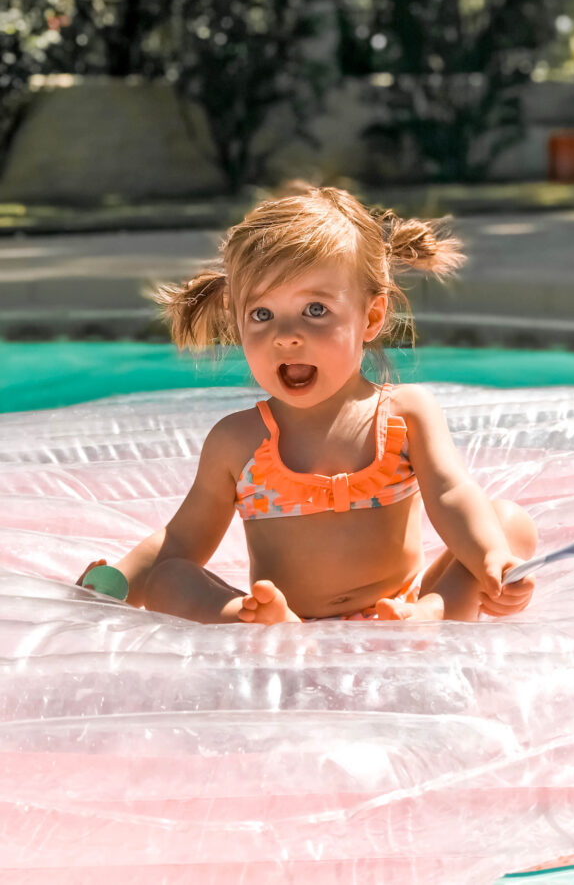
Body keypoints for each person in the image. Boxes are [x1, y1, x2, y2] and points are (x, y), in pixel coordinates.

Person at [78, 184, 537, 624]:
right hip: (285, 613)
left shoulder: (404, 415)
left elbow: (452, 494)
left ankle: (433, 614)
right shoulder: (237, 441)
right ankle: (253, 624)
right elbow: (180, 540)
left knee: (508, 524)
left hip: (398, 605)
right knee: (170, 580)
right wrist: (116, 581)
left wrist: (491, 557)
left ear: (371, 317)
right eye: (262, 314)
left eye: (315, 310)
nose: (286, 335)